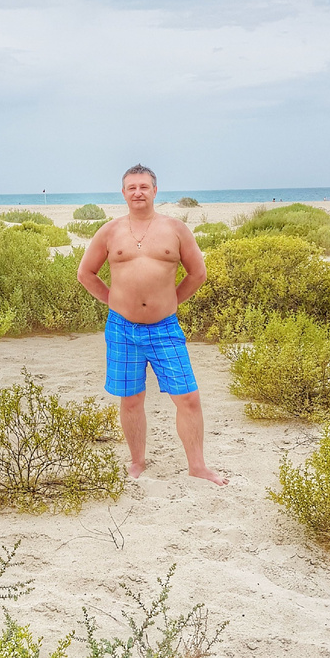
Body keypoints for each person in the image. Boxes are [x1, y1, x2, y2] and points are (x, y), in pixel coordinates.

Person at [77, 164, 228, 484]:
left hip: (164, 329)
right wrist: (113, 300)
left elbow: (198, 274)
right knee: (131, 398)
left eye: (144, 187)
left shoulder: (176, 229)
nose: (138, 192)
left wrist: (171, 301)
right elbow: (85, 274)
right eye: (132, 187)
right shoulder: (110, 231)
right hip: (122, 328)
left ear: (155, 191)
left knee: (188, 397)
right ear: (123, 193)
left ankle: (198, 466)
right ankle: (137, 461)